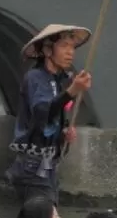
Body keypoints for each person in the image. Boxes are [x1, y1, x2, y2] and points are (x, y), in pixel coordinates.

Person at [6, 24, 93, 204]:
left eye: (72, 47)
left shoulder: (58, 80)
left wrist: (62, 134)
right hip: (32, 165)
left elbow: (48, 123)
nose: (70, 52)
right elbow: (41, 111)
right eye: (63, 46)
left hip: (47, 165)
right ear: (47, 50)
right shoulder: (35, 78)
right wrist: (72, 91)